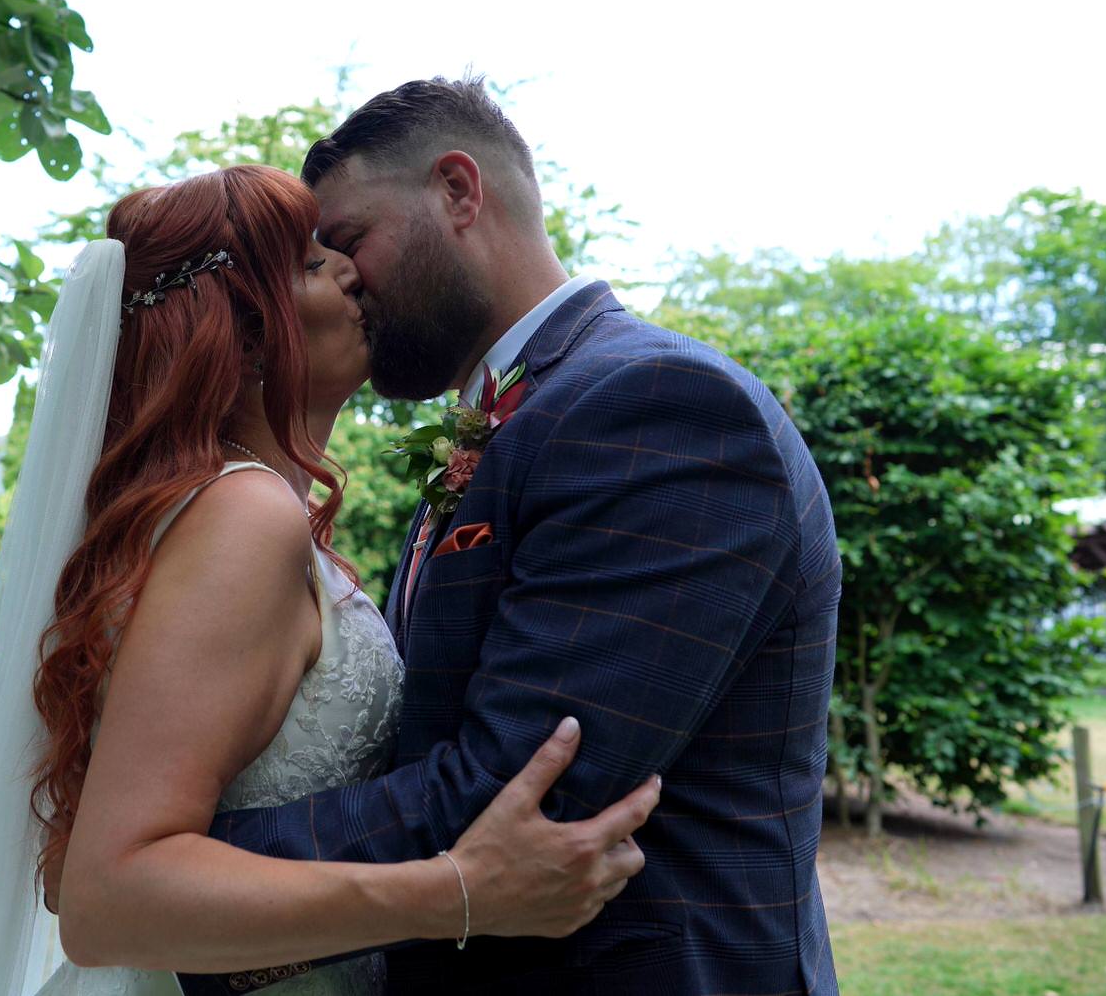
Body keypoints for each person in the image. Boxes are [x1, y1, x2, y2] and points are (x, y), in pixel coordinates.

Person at [0, 164, 658, 996]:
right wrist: (458, 892)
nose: (348, 270)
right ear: (242, 334)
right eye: (311, 262)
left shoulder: (238, 512)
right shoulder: (243, 516)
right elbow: (105, 896)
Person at [176, 78, 842, 995]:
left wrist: (180, 874)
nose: (343, 279)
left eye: (352, 238)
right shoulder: (511, 421)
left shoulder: (657, 408)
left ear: (458, 190)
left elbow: (521, 788)